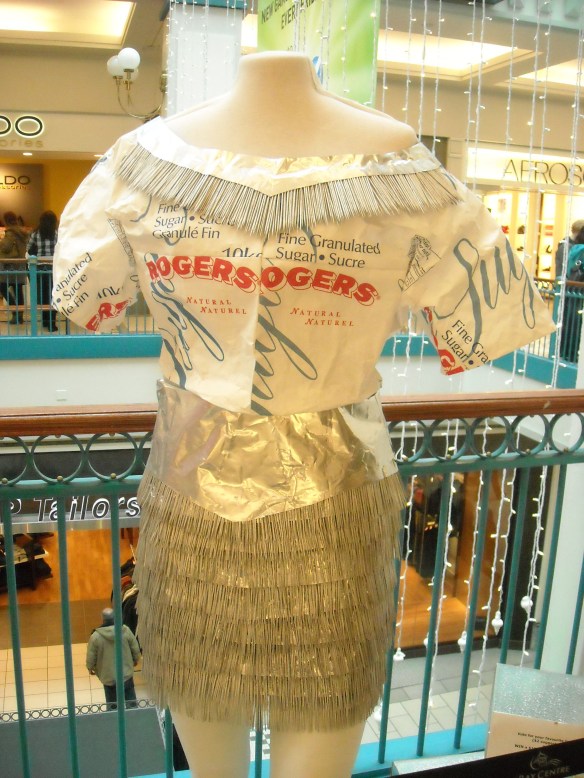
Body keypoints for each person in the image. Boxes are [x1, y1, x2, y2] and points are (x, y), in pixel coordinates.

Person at [54, 52, 555, 778]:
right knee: (225, 706)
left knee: (291, 713)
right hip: (250, 498)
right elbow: (486, 315)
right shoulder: (408, 173)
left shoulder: (138, 165)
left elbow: (84, 297)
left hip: (298, 501)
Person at [86, 607, 141, 709]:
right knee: (131, 701)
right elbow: (135, 647)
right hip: (125, 674)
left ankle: (114, 715)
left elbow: (91, 655)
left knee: (112, 704)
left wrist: (90, 667)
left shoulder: (95, 636)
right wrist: (136, 659)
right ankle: (133, 715)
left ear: (102, 619)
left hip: (108, 677)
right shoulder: (125, 631)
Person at [26, 210, 59, 331]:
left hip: (39, 268)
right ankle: (52, 323)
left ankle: (45, 321)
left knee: (43, 295)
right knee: (53, 296)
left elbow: (29, 249)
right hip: (53, 268)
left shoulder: (35, 234)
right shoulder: (57, 234)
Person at [559, 226, 584, 361]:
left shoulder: (574, 249)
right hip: (579, 293)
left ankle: (565, 352)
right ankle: (572, 354)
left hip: (570, 291)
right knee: (576, 325)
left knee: (569, 323)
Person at [0, 211, 28, 324]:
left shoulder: (10, 233)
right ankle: (19, 316)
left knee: (2, 287)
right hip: (20, 265)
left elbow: (5, 247)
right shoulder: (22, 233)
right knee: (18, 291)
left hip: (10, 266)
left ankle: (15, 311)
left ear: (6, 220)